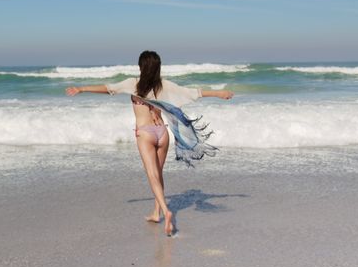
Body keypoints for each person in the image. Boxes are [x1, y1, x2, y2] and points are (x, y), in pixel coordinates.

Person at [66, 51, 234, 236]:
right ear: (158, 67)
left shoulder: (133, 84)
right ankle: (156, 213)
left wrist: (81, 89)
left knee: (152, 175)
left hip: (145, 134)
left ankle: (166, 211)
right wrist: (219, 93)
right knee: (158, 174)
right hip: (162, 133)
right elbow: (193, 93)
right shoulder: (164, 86)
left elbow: (108, 88)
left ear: (141, 66)